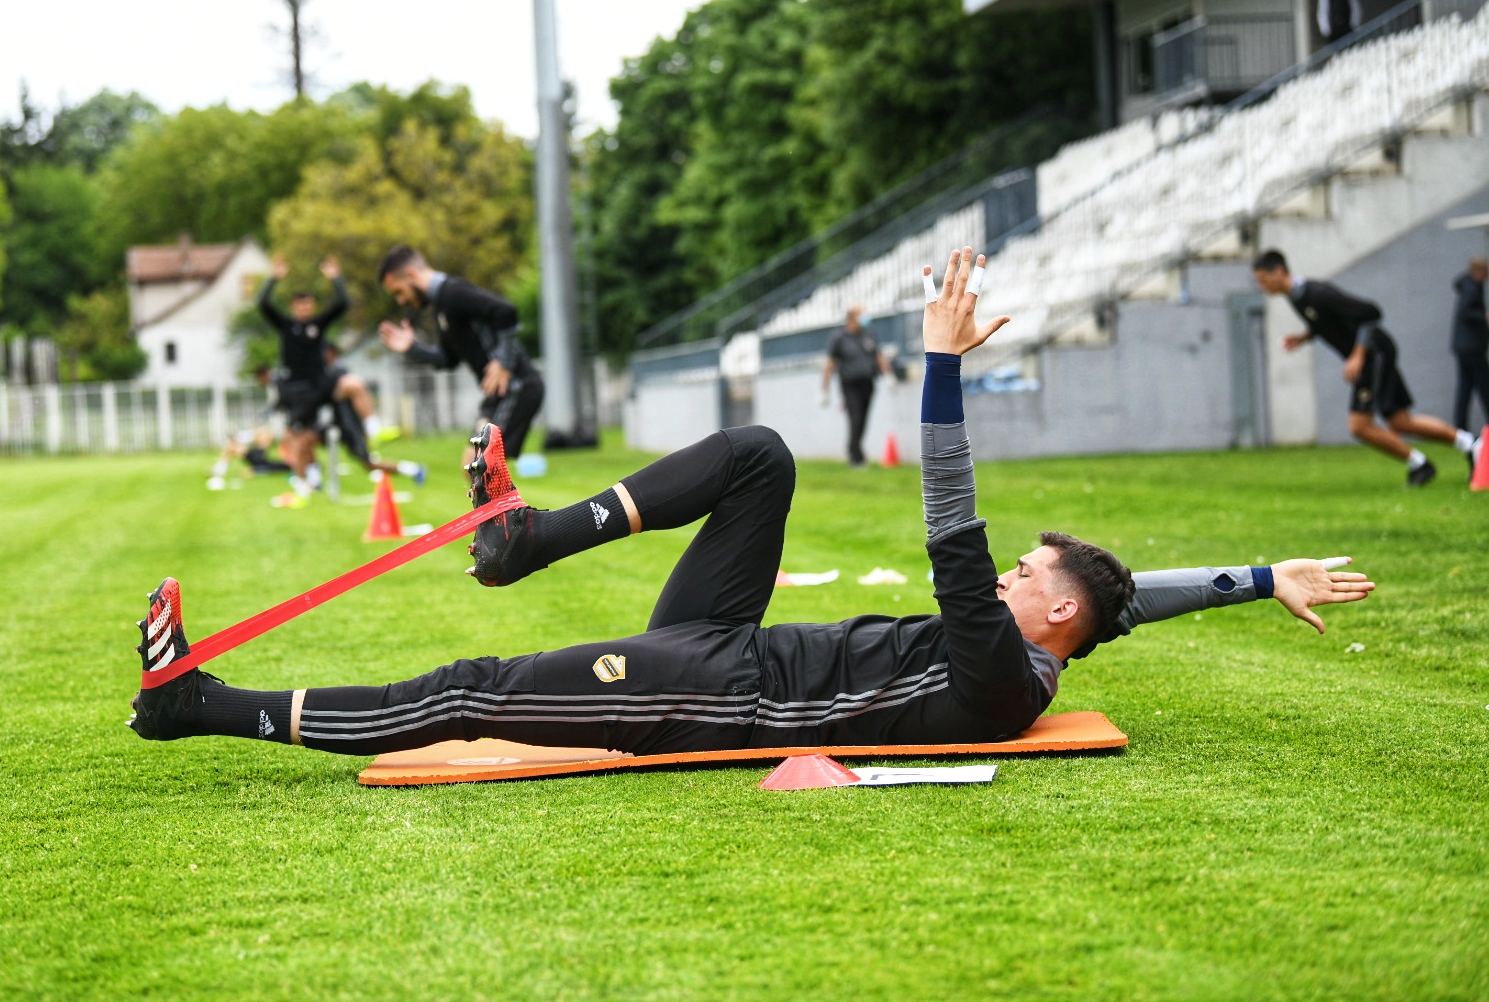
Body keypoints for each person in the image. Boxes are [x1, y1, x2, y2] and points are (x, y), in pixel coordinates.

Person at [127, 247, 1375, 757]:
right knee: (764, 455)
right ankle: (527, 537)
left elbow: (953, 517)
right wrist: (1262, 580)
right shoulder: (1051, 639)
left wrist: (938, 362)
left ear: (1050, 619)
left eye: (1028, 577)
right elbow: (1125, 605)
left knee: (477, 690)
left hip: (719, 697)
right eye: (1024, 570)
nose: (1009, 576)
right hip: (729, 646)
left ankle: (198, 706)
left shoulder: (1001, 669)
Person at [1253, 249, 1481, 486]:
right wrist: (1303, 337)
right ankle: (1471, 445)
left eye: (1263, 279)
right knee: (1399, 421)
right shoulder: (1297, 297)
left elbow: (1370, 313)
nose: (1262, 285)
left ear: (1279, 271)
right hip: (1373, 354)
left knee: (1359, 426)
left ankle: (1421, 464)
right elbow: (1326, 322)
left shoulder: (1318, 293)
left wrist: (1358, 355)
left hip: (1374, 353)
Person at [375, 246, 544, 465]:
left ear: (411, 274)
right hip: (498, 394)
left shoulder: (454, 292)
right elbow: (448, 359)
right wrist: (412, 348)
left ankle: (511, 502)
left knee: (480, 467)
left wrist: (505, 362)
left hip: (516, 387)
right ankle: (510, 502)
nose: (400, 300)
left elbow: (506, 312)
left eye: (398, 291)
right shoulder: (441, 307)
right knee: (475, 469)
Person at [258, 255, 401, 492]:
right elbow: (263, 304)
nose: (304, 309)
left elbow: (343, 304)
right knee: (301, 439)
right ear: (294, 307)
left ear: (312, 306)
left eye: (308, 305)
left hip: (322, 383)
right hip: (298, 391)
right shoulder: (285, 326)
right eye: (300, 305)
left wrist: (336, 279)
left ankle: (375, 428)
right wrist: (273, 278)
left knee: (354, 383)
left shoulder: (319, 324)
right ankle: (304, 484)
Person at [822, 305, 894, 467]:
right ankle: (856, 455)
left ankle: (855, 450)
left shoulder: (869, 335)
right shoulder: (839, 338)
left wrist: (888, 376)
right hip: (849, 385)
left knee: (863, 420)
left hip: (867, 383)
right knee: (855, 417)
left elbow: (879, 357)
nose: (865, 317)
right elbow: (830, 364)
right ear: (852, 318)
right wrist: (824, 389)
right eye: (862, 314)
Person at [1450, 257, 1489, 433]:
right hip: (1472, 347)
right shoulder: (1473, 288)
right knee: (1483, 384)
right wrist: (1484, 316)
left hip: (1463, 346)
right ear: (1479, 272)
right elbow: (1467, 311)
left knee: (1466, 385)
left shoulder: (1466, 285)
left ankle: (1460, 426)